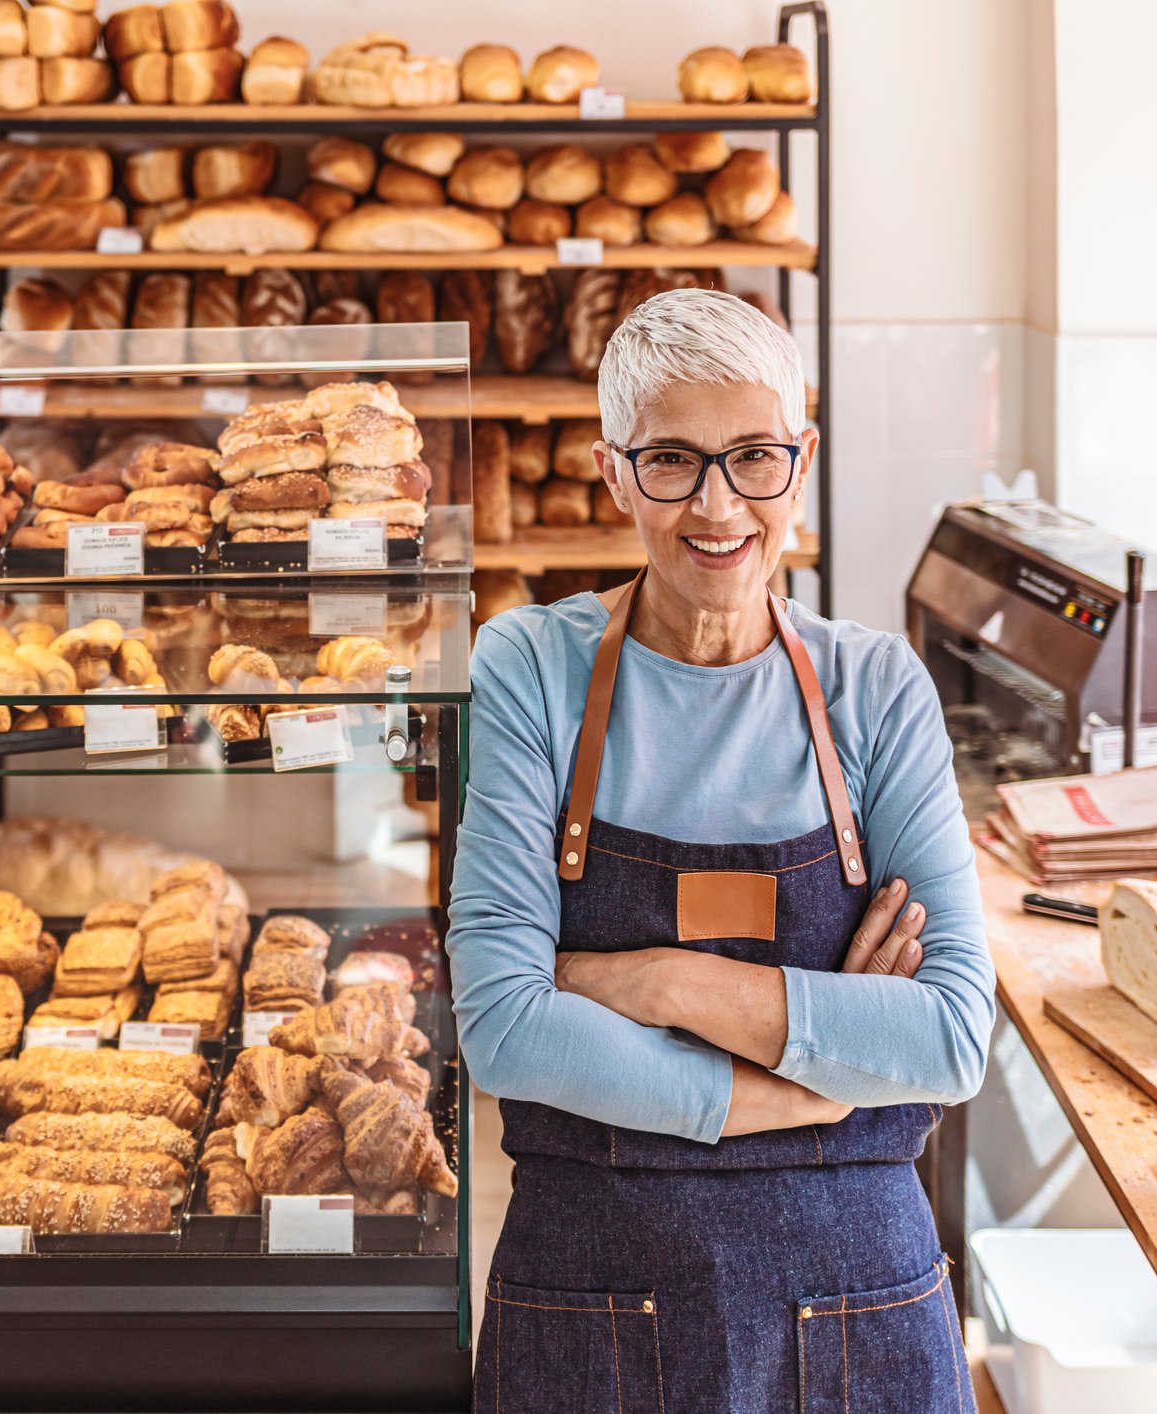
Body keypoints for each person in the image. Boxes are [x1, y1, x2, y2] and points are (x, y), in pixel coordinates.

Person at [449, 288, 993, 1411]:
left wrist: (651, 982)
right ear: (614, 472)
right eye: (672, 462)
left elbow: (946, 1035)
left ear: (802, 461)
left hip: (861, 1298)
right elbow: (502, 1027)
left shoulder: (875, 689)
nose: (716, 505)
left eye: (753, 456)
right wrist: (811, 1087)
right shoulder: (531, 669)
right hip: (589, 1284)